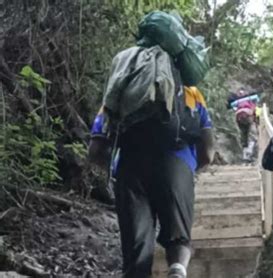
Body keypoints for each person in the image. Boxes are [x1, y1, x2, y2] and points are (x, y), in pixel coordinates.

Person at [88, 12, 214, 278]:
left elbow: (96, 149)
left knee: (137, 247)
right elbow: (208, 152)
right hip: (177, 164)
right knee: (178, 237)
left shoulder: (123, 88)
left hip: (131, 165)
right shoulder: (191, 92)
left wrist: (114, 173)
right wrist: (191, 170)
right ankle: (178, 270)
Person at [229, 89, 260, 162]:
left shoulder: (238, 103)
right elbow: (256, 112)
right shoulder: (251, 101)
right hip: (248, 115)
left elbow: (234, 109)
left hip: (239, 117)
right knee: (253, 135)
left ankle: (245, 155)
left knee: (243, 134)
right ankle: (249, 153)